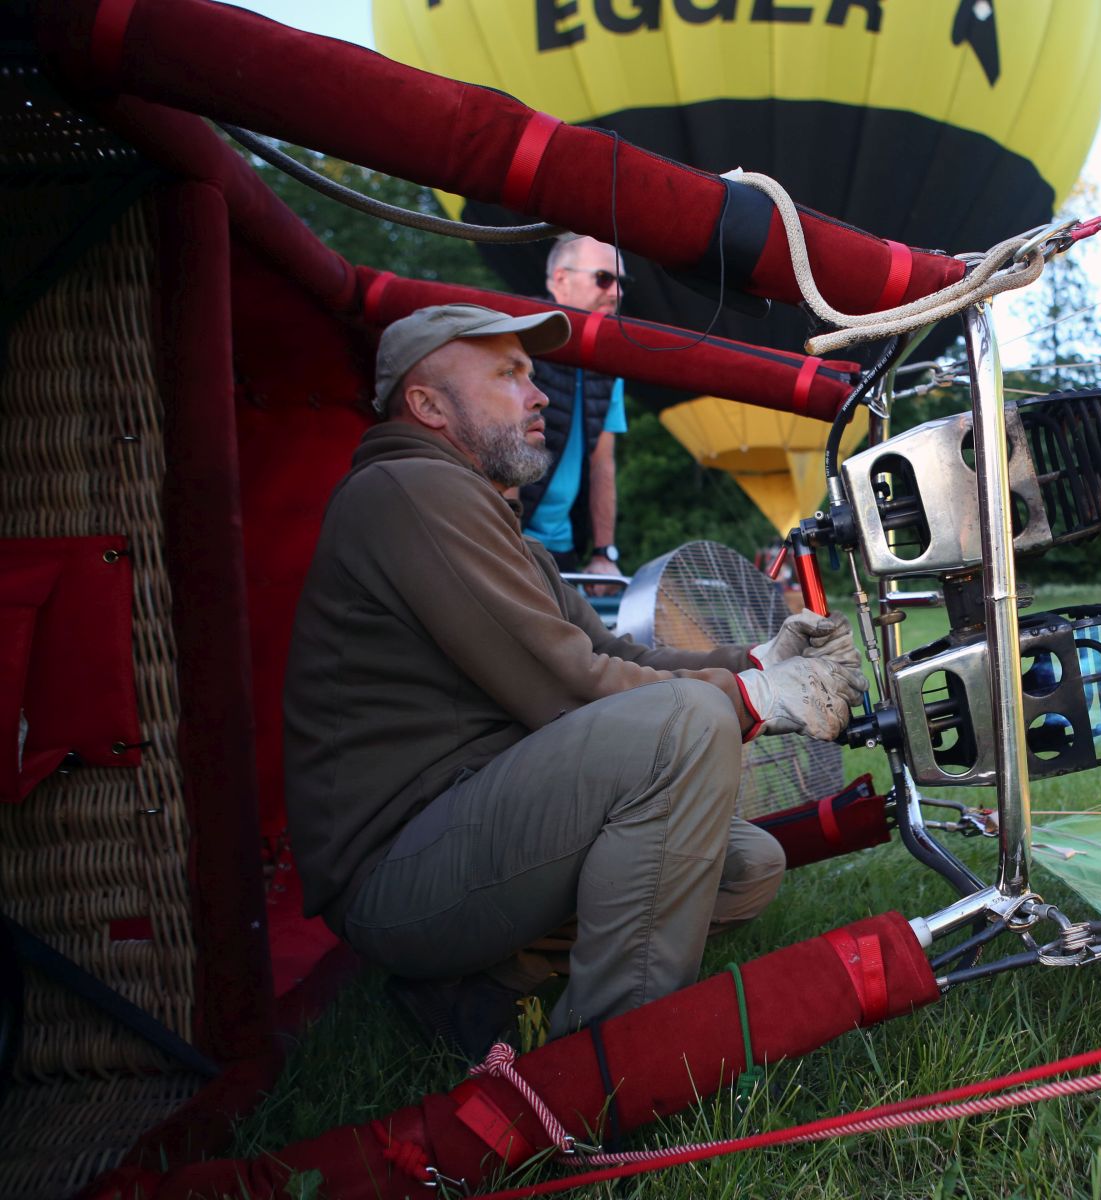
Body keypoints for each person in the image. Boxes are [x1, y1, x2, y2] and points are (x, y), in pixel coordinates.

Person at [284, 303, 865, 1054]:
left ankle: (474, 992)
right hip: (399, 876)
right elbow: (568, 687)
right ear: (427, 406)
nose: (541, 397)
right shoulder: (407, 492)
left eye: (532, 375)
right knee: (684, 727)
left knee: (748, 866)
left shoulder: (484, 515)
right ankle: (614, 1070)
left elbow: (617, 656)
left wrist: (759, 661)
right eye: (508, 375)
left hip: (466, 833)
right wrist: (751, 703)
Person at [521, 234, 631, 584]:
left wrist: (603, 553)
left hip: (563, 547)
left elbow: (602, 460)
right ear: (561, 280)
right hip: (509, 536)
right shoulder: (520, 339)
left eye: (621, 281)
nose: (617, 292)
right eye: (604, 278)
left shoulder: (609, 360)